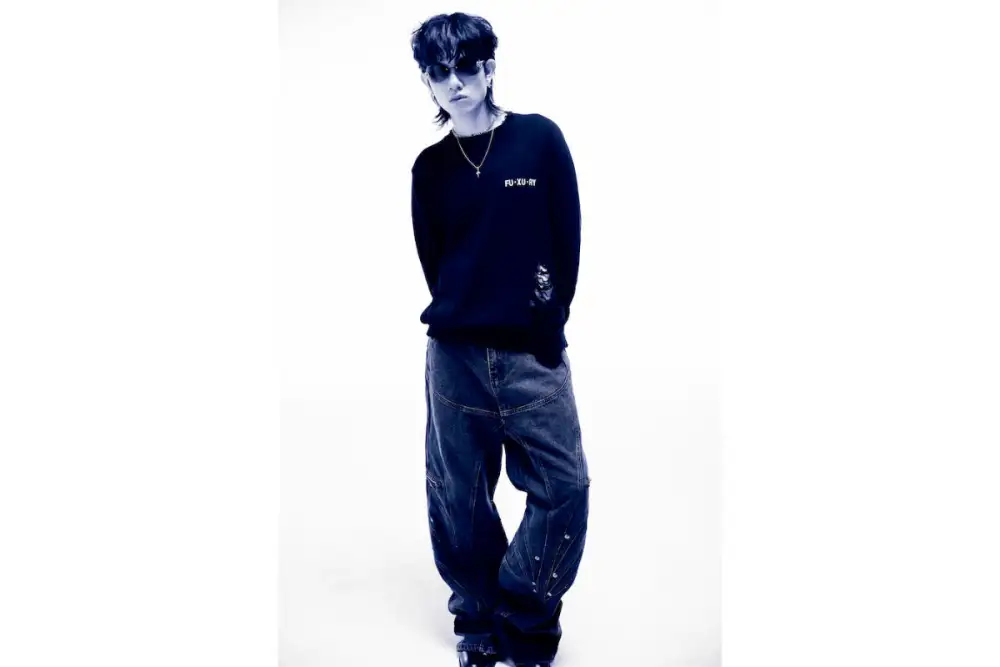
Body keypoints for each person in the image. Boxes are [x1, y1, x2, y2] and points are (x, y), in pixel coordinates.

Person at [409, 12, 590, 667]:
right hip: (455, 357)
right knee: (459, 495)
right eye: (439, 72)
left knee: (565, 488)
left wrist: (548, 322)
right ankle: (478, 616)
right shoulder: (430, 169)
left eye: (466, 66)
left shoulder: (538, 140)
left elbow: (566, 240)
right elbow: (436, 261)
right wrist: (467, 314)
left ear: (488, 67)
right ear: (427, 81)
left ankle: (527, 614)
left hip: (532, 353)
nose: (454, 82)